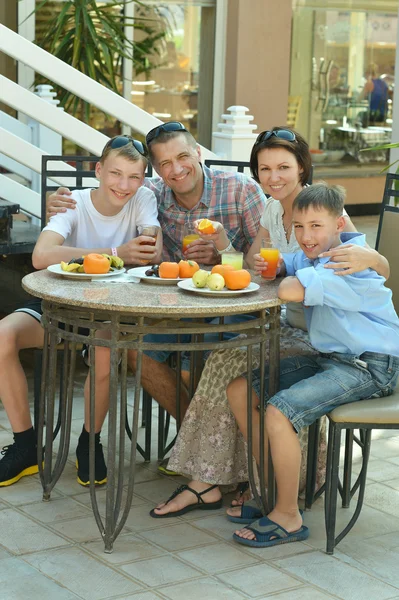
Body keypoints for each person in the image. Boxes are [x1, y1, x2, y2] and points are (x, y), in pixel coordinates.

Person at [150, 127, 390, 518]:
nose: (273, 177)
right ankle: (229, 477)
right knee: (224, 360)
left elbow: (368, 264)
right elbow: (253, 267)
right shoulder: (272, 209)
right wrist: (231, 246)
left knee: (228, 360)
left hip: (321, 337)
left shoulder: (323, 211)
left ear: (301, 169)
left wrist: (378, 260)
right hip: (284, 322)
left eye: (283, 167)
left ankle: (228, 481)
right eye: (265, 168)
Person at [47, 121, 267, 419]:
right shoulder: (151, 194)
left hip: (233, 306)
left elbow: (263, 266)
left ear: (198, 153)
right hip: (174, 307)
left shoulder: (242, 190)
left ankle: (200, 446)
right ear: (155, 171)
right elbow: (112, 189)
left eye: (182, 157)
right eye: (164, 163)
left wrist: (221, 256)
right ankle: (197, 442)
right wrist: (62, 200)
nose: (176, 170)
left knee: (191, 368)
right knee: (136, 351)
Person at [227, 182, 399, 548]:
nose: (306, 236)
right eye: (300, 226)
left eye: (316, 226)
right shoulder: (316, 253)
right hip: (333, 359)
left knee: (279, 411)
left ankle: (288, 517)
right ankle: (274, 489)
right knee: (240, 389)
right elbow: (286, 264)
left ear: (339, 225)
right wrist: (271, 263)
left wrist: (284, 273)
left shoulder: (347, 262)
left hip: (372, 366)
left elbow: (290, 290)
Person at [0, 136, 162, 487]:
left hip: (110, 308)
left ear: (143, 179)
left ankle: (90, 441)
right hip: (59, 304)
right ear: (99, 170)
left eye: (134, 177)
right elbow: (41, 256)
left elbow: (151, 250)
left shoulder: (144, 199)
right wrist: (116, 251)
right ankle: (25, 445)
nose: (123, 185)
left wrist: (149, 239)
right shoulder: (72, 202)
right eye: (115, 173)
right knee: (2, 336)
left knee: (105, 353)